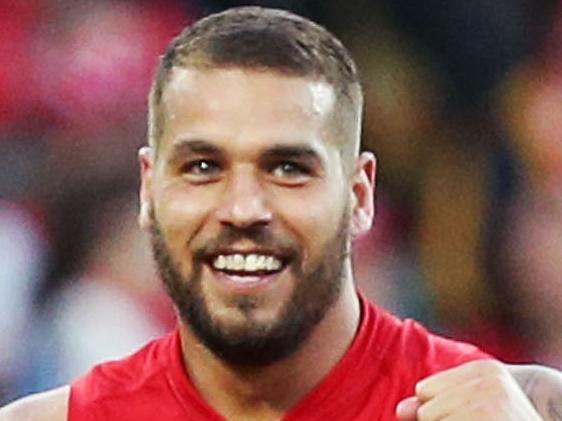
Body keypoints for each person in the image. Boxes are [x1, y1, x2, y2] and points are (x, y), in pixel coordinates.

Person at [2, 6, 561, 421]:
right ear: (149, 190)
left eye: (288, 168)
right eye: (202, 167)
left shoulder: (528, 407)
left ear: (360, 195)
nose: (243, 209)